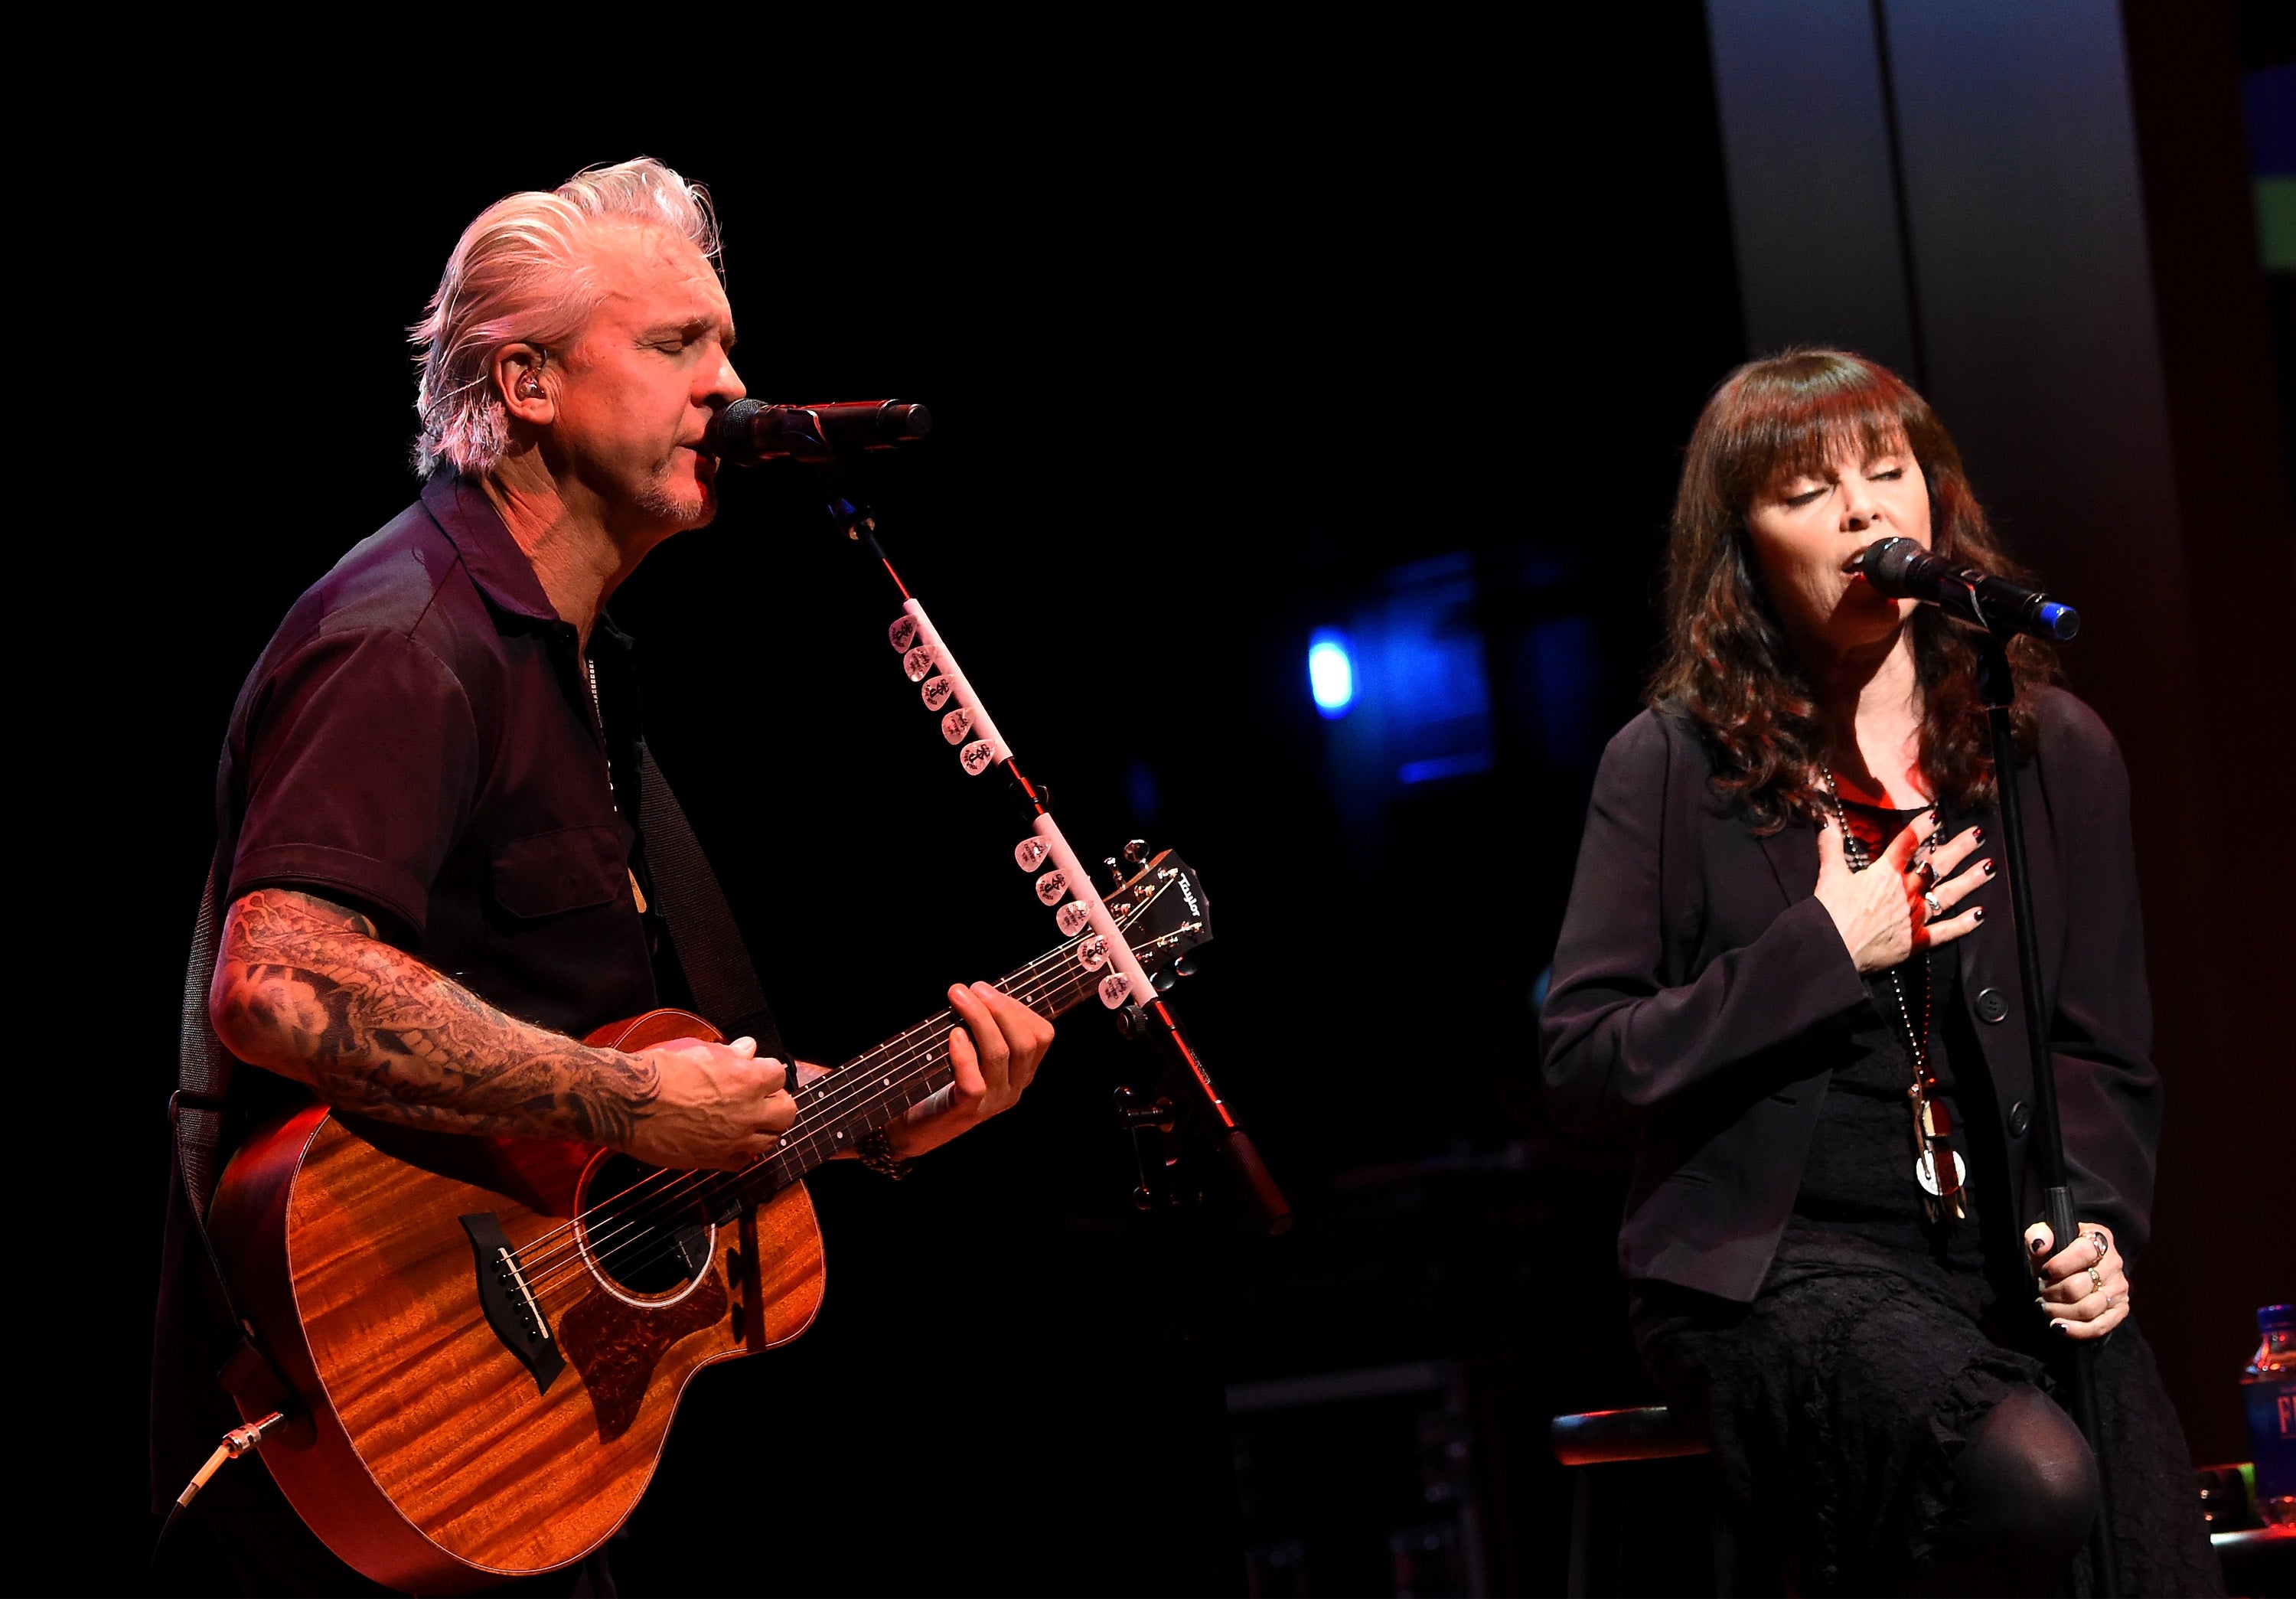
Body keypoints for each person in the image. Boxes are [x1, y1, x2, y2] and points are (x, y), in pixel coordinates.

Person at [150, 158, 1055, 1595]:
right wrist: (636, 1098)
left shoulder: (579, 667)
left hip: (520, 1453)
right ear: (526, 381)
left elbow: (598, 1098)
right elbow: (278, 979)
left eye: (728, 343)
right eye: (678, 343)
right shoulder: (409, 637)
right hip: (374, 1424)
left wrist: (874, 1117)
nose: (730, 384)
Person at [1539, 349, 2220, 1595]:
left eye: (1887, 473)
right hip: (1774, 1265)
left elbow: (2102, 1046)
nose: (1861, 513)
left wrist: (2102, 1224)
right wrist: (1823, 947)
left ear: (1934, 506)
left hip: (2002, 1250)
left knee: (2146, 1551)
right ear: (1743, 546)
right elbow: (1585, 1057)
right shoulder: (1672, 763)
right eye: (1808, 489)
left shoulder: (2048, 748)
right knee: (2030, 1474)